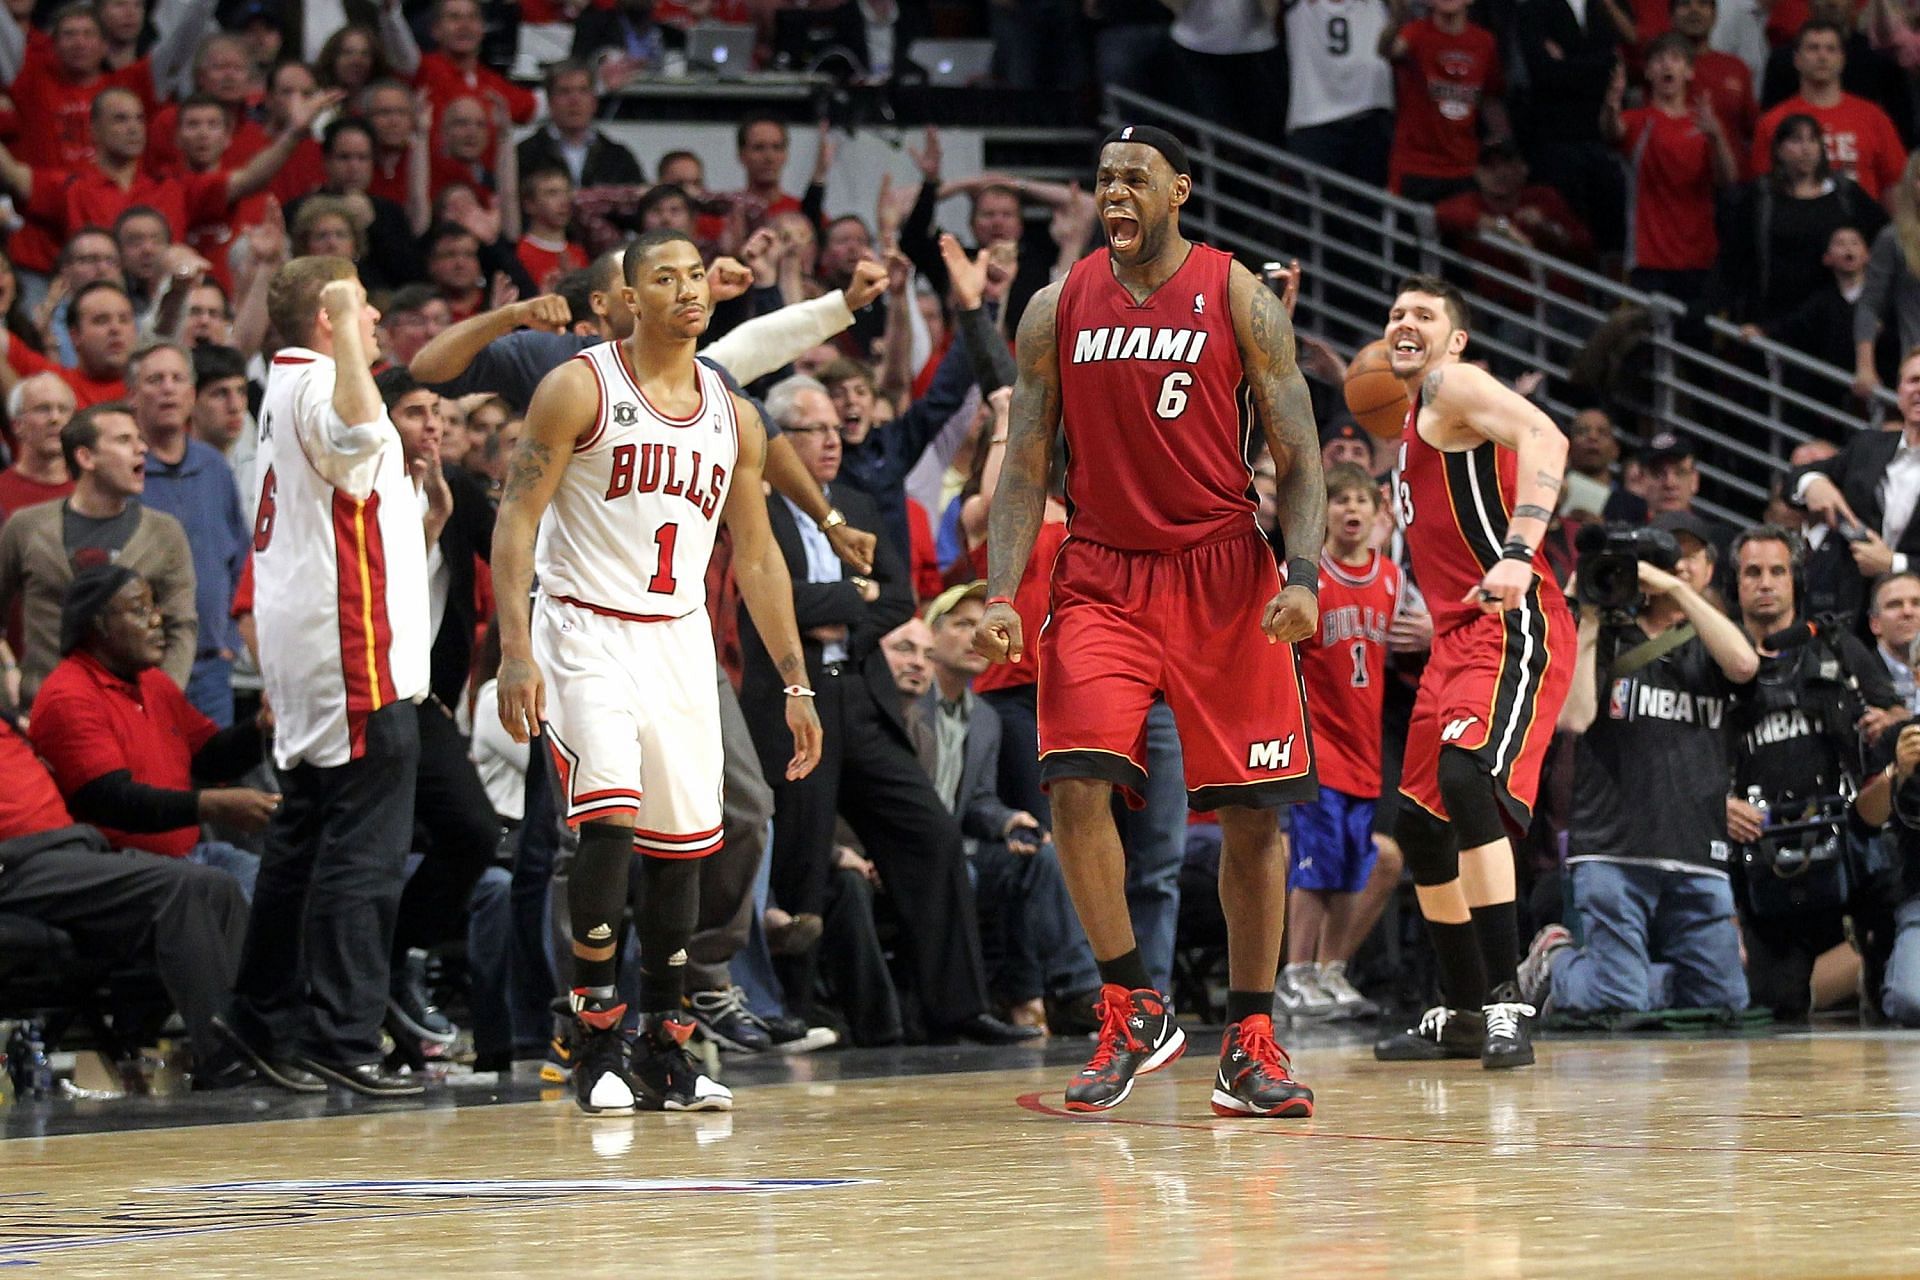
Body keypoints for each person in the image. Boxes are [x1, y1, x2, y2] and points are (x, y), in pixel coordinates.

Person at [978, 125, 1325, 1118]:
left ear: (1180, 188)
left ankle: (1252, 1039)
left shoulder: (1240, 297)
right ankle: (1132, 1004)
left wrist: (1301, 575)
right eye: (1103, 180)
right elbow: (1024, 465)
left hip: (1223, 573)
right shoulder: (1057, 306)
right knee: (1074, 783)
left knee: (1257, 814)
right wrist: (1005, 591)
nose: (1115, 192)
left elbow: (1299, 456)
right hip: (1102, 574)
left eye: (1135, 178)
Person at [491, 227, 824, 1117]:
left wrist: (795, 683)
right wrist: (514, 652)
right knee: (607, 825)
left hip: (677, 639)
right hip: (583, 628)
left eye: (695, 277)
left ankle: (667, 1047)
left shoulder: (733, 413)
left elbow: (757, 558)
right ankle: (594, 1036)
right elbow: (517, 518)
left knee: (682, 849)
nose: (687, 290)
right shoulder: (577, 386)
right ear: (629, 298)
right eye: (665, 278)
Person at [741, 374, 1036, 1050]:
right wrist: (852, 595)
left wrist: (831, 601)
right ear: (783, 439)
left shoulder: (854, 506)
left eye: (832, 428)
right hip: (793, 695)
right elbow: (767, 604)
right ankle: (788, 1012)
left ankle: (958, 1006)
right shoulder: (757, 509)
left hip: (861, 693)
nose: (833, 440)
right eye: (813, 430)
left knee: (929, 831)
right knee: (802, 852)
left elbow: (899, 597)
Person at [215, 255, 430, 1099]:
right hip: (351, 646)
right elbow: (362, 438)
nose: (376, 319)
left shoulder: (285, 385)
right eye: (361, 307)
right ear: (328, 320)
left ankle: (260, 1020)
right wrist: (344, 320)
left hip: (311, 646)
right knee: (365, 852)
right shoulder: (318, 386)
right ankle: (344, 1035)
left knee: (304, 837)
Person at [1370, 274, 1575, 1069]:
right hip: (1456, 638)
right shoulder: (1410, 421)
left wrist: (1521, 552)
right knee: (1421, 828)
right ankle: (1460, 1011)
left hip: (1513, 620)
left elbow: (1546, 439)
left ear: (1456, 342)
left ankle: (1506, 1001)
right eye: (1395, 312)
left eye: (1424, 313)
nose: (1404, 321)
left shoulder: (1454, 386)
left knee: (1466, 780)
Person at [1518, 511, 1759, 1015]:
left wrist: (1677, 589)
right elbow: (1575, 719)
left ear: (1708, 568)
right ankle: (1555, 958)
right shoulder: (1608, 635)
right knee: (1617, 999)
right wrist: (1586, 620)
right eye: (1663, 556)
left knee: (1725, 999)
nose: (1674, 565)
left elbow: (1744, 664)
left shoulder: (1709, 641)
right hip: (1613, 848)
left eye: (1687, 556)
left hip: (1695, 847)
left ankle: (1625, 975)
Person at [1722, 524, 1902, 1018]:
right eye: (1752, 572)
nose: (1765, 582)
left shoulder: (1836, 645)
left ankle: (1871, 976)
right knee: (1774, 1004)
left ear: (1795, 580)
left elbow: (1897, 718)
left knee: (1887, 893)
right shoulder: (1716, 655)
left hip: (1845, 842)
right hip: (1757, 855)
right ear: (1734, 583)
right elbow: (1685, 752)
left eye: (1777, 571)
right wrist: (1722, 804)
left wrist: (1885, 721)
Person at [912, 580, 1100, 1034]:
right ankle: (1012, 1001)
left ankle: (1079, 992)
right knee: (970, 872)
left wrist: (1007, 820)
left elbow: (977, 801)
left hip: (962, 846)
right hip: (915, 851)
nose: (980, 635)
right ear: (931, 637)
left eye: (984, 625)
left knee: (1041, 855)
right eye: (962, 625)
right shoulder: (906, 705)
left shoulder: (985, 718)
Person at [27, 566, 270, 897]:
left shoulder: (152, 682)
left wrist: (263, 727)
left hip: (191, 858)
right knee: (239, 903)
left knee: (287, 890)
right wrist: (211, 805)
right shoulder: (69, 695)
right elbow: (113, 801)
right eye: (140, 610)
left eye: (155, 607)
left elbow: (209, 758)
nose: (158, 620)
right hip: (125, 874)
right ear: (99, 625)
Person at [1280, 463, 1404, 1021]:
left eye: (1360, 500)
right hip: (1316, 745)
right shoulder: (1304, 576)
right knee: (1315, 868)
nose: (1350, 509)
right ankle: (1294, 976)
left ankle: (1329, 973)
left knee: (1356, 864)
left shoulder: (1393, 578)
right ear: (1322, 510)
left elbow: (1417, 633)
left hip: (1365, 748)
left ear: (1378, 513)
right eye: (1339, 499)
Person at [0, 401, 197, 706]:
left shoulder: (164, 532)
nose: (141, 449)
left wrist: (161, 702)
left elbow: (181, 626)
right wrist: (8, 673)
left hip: (130, 711)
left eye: (139, 439)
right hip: (42, 711)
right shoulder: (27, 527)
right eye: (123, 440)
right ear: (86, 456)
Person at [126, 341, 248, 725]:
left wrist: (231, 640)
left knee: (217, 776)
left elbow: (241, 561)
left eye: (177, 379)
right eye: (155, 380)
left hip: (213, 666)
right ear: (132, 396)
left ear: (192, 395)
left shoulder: (214, 467)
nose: (167, 389)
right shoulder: (124, 472)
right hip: (145, 666)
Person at [1602, 34, 1740, 305]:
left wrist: (1716, 137)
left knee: (1693, 342)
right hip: (1648, 257)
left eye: (1675, 59)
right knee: (1650, 342)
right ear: (1648, 71)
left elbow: (1728, 179)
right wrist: (1610, 104)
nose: (1667, 65)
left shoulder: (1705, 124)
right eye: (1659, 60)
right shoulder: (1638, 120)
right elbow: (1612, 130)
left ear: (1688, 71)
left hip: (1699, 258)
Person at [1792, 346, 1920, 624]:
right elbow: (1795, 477)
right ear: (1899, 392)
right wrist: (1813, 483)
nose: (1919, 390)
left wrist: (1894, 564)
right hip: (1849, 615)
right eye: (1913, 381)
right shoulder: (1867, 446)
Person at [1752, 20, 1906, 200]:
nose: (1822, 56)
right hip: (1798, 224)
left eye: (1830, 49)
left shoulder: (1874, 117)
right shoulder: (1773, 121)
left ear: (1842, 59)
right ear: (1797, 59)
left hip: (1862, 224)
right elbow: (1762, 189)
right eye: (1813, 48)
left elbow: (1895, 185)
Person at [1381, 0, 1508, 202]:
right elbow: (1388, 51)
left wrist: (1503, 143)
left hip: (1464, 167)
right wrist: (1396, 20)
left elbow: (1490, 98)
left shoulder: (1485, 42)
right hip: (1416, 166)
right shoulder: (1415, 33)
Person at [0, 373, 76, 517]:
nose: (55, 418)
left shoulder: (91, 492)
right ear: (17, 425)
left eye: (63, 409)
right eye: (43, 409)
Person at [1870, 570, 1920, 711]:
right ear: (1875, 624)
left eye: (1917, 603)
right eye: (1895, 604)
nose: (1907, 612)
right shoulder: (1859, 677)